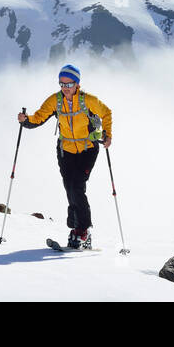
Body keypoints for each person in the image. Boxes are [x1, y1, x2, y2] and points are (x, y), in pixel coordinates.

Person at [18, 63, 112, 249]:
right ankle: (76, 229)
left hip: (88, 149)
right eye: (62, 84)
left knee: (77, 186)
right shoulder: (55, 100)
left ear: (77, 84)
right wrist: (26, 120)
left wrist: (108, 135)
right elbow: (38, 117)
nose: (65, 88)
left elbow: (106, 112)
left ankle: (83, 231)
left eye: (69, 84)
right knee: (69, 188)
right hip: (65, 151)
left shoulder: (89, 100)